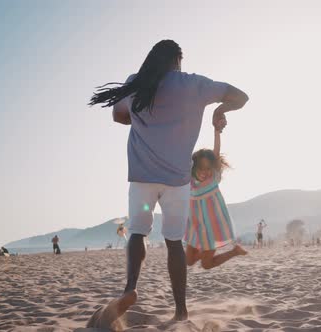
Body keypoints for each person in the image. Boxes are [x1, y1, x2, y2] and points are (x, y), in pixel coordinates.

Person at [88, 40, 248, 327]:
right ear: (179, 60)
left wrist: (143, 119)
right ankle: (181, 312)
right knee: (174, 243)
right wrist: (217, 111)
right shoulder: (195, 85)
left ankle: (130, 288)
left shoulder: (137, 83)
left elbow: (118, 116)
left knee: (138, 232)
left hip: (142, 177)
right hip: (177, 180)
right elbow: (241, 97)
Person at [184, 125, 248, 269]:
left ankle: (234, 252)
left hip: (212, 227)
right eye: (201, 168)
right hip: (195, 226)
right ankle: (203, 250)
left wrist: (216, 132)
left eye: (208, 168)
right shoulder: (189, 181)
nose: (204, 172)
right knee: (188, 260)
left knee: (206, 265)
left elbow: (216, 153)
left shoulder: (213, 179)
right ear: (194, 167)